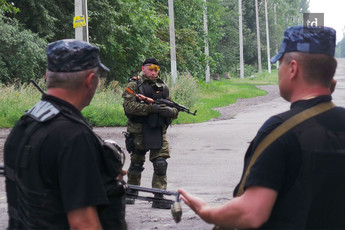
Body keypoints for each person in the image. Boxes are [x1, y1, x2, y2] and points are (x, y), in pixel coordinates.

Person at [178, 25, 345, 229]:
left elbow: (251, 213)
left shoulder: (280, 129)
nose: (279, 72)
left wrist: (207, 212)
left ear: (293, 68)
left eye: (279, 65)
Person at [4, 39, 127, 229]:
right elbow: (83, 224)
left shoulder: (25, 124)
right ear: (90, 80)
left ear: (47, 76)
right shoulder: (74, 136)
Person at [122, 57, 178, 209]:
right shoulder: (134, 85)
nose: (154, 72)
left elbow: (173, 107)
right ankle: (132, 192)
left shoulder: (163, 87)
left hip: (158, 131)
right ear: (143, 68)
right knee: (136, 163)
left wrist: (170, 111)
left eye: (156, 69)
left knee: (161, 164)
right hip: (138, 131)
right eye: (151, 68)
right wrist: (151, 109)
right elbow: (129, 107)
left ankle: (159, 196)